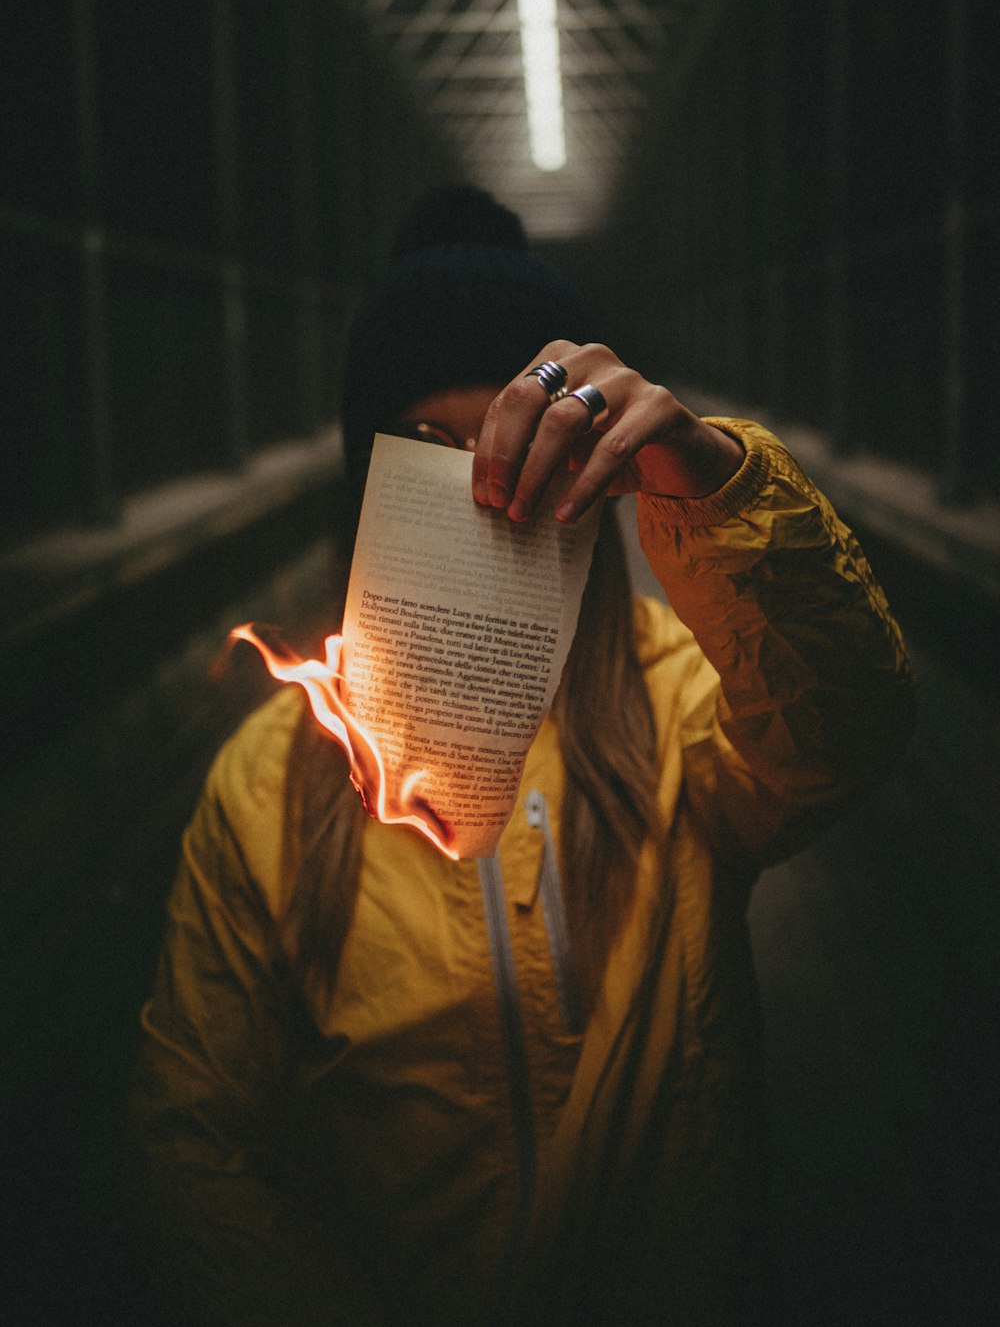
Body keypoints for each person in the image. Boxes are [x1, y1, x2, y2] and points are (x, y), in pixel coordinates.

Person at [125, 187, 915, 1325]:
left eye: (516, 447)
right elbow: (191, 1140)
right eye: (431, 450)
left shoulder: (672, 695)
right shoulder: (270, 781)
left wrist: (714, 480)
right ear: (368, 478)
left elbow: (848, 722)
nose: (482, 493)